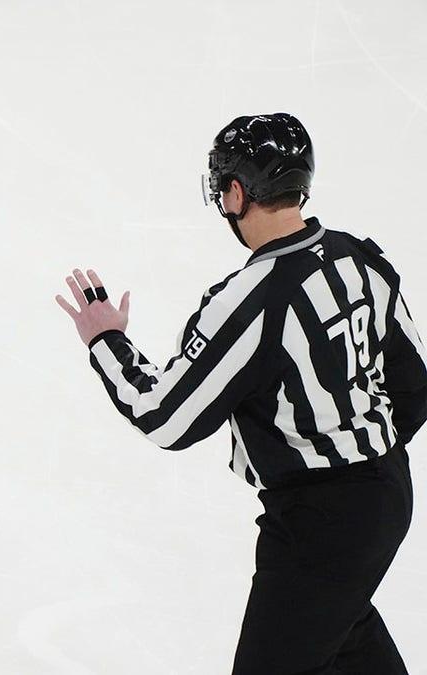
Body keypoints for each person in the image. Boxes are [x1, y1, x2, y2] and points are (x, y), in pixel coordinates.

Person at [55, 113, 423, 673]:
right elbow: (414, 384)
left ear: (235, 192)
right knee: (341, 633)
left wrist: (107, 342)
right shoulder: (362, 258)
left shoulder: (250, 300)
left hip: (317, 521)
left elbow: (167, 418)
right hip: (388, 493)